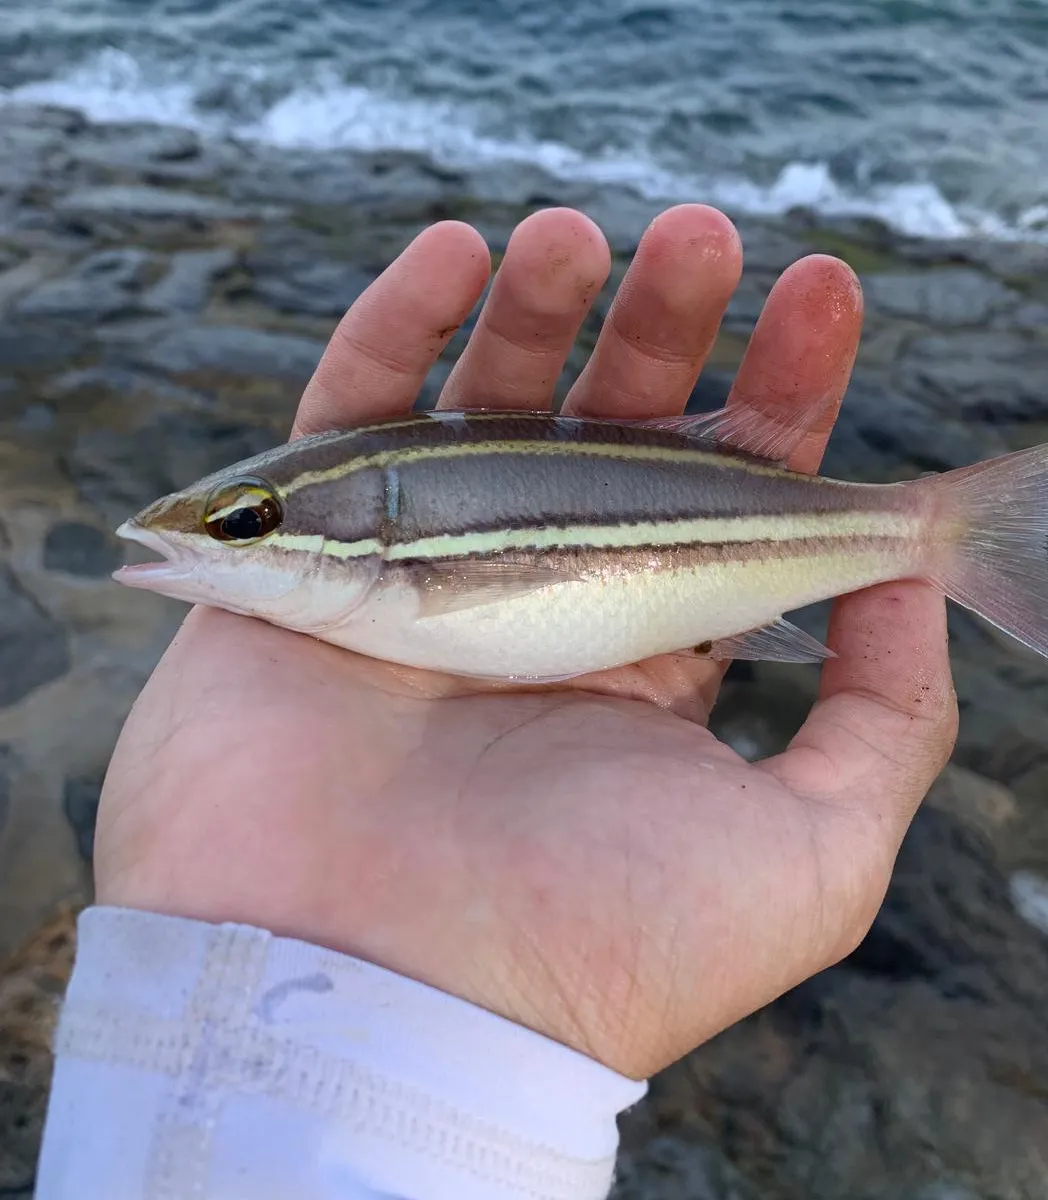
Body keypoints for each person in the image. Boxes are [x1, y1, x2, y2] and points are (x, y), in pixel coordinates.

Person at [33, 204, 958, 1198]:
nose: (223, 543)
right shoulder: (354, 594)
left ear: (375, 529)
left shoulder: (386, 576)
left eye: (248, 524)